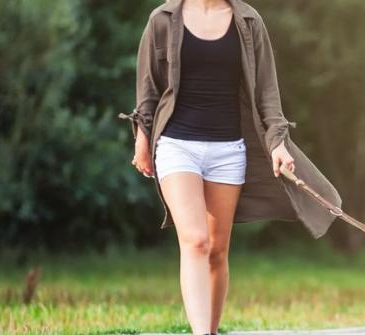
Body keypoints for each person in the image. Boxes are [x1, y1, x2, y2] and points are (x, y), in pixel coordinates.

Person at [122, 1, 341, 334]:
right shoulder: (162, 19)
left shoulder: (248, 21)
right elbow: (148, 89)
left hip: (228, 150)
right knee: (195, 241)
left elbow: (267, 92)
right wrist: (141, 140)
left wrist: (277, 143)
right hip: (176, 145)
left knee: (217, 251)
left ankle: (210, 329)